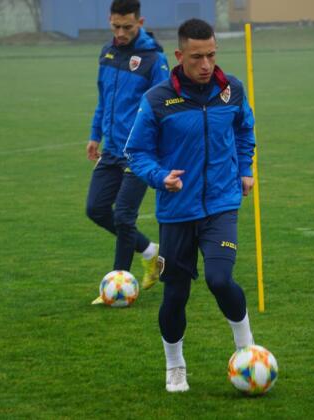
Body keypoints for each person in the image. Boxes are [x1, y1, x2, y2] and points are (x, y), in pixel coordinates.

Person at [124, 18, 258, 392]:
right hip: (176, 211)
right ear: (179, 56)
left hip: (221, 205)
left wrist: (245, 169)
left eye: (211, 55)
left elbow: (244, 130)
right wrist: (160, 176)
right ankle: (175, 366)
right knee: (175, 294)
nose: (206, 64)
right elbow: (136, 151)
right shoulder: (157, 100)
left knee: (220, 279)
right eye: (197, 57)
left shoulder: (232, 90)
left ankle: (247, 350)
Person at [86, 0, 169, 303]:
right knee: (95, 209)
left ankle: (117, 288)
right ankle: (150, 251)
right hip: (111, 149)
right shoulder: (107, 53)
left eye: (127, 27)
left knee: (123, 216)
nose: (120, 33)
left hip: (139, 152)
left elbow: (164, 107)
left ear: (140, 23)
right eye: (116, 26)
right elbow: (103, 100)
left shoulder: (154, 59)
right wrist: (95, 135)